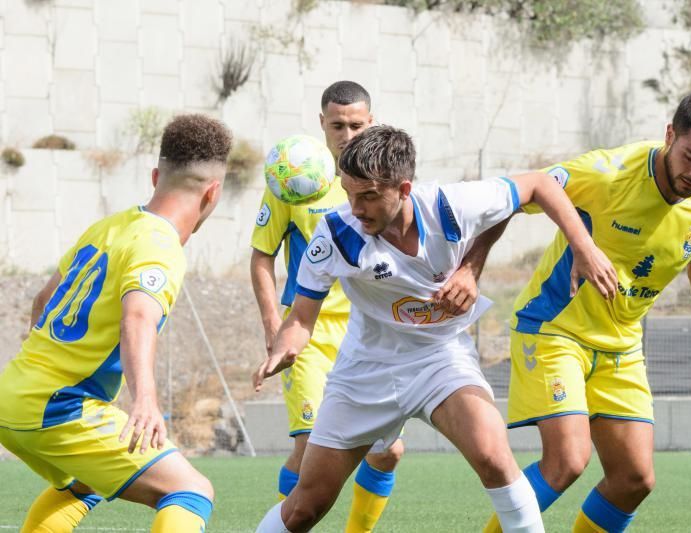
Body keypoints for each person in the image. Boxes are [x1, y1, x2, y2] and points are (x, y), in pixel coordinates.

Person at [252, 125, 618, 532]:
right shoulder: (336, 234)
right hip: (365, 370)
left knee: (494, 456)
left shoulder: (450, 205)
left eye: (369, 195)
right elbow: (302, 318)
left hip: (440, 357)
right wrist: (283, 348)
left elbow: (536, 185)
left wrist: (579, 248)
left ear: (404, 188)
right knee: (306, 506)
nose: (355, 207)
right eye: (349, 192)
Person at [482, 91, 691, 533]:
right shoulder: (610, 173)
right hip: (555, 330)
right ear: (670, 135)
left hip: (622, 345)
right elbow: (514, 191)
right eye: (690, 157)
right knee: (567, 460)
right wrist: (473, 269)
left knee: (634, 479)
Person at [0, 114, 232, 532]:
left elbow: (42, 301)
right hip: (59, 406)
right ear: (212, 193)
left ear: (157, 175)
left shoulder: (107, 227)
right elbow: (138, 318)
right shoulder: (160, 245)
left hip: (14, 394)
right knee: (190, 491)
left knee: (84, 482)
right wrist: (146, 400)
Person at [250, 80, 405, 532]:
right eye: (338, 125)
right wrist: (272, 323)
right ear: (322, 123)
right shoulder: (293, 177)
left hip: (371, 332)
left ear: (371, 122)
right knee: (309, 448)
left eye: (357, 124)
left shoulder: (385, 180)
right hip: (310, 336)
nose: (348, 134)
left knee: (388, 451)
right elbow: (262, 256)